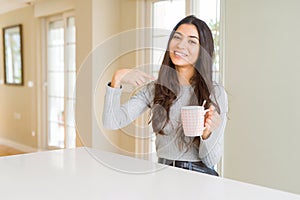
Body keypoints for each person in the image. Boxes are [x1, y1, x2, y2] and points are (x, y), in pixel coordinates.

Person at [103, 15, 228, 176]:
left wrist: (207, 134)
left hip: (199, 175)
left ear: (203, 50)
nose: (181, 45)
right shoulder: (156, 89)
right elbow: (112, 121)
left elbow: (210, 161)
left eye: (192, 41)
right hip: (163, 171)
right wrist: (117, 79)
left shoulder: (215, 92)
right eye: (177, 37)